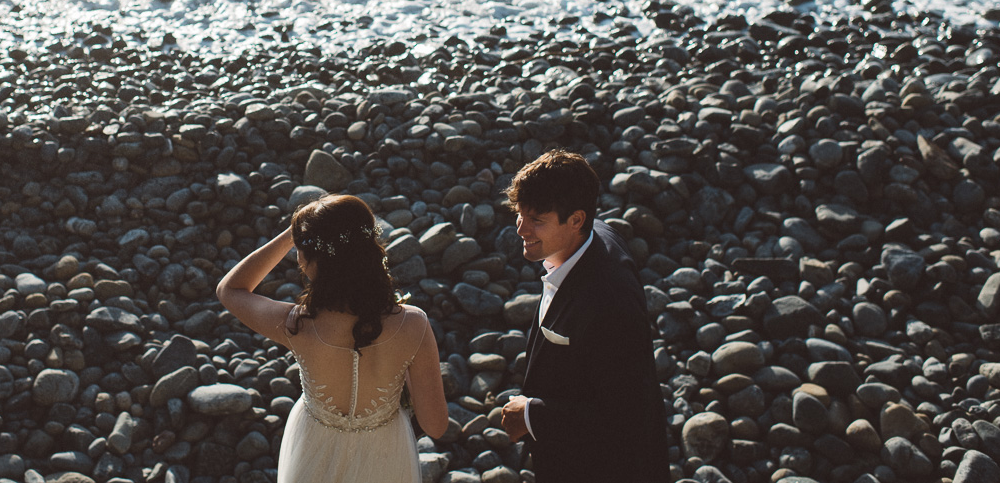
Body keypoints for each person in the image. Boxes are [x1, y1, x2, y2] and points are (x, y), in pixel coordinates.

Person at [217, 194, 449, 483]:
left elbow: (231, 289)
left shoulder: (298, 324)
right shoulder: (413, 324)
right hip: (386, 457)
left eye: (300, 250)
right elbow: (436, 426)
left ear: (314, 259)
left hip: (313, 451)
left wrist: (292, 233)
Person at [499, 149, 668, 483]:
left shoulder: (609, 303)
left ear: (576, 220)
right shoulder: (591, 237)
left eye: (537, 220)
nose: (521, 229)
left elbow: (628, 417)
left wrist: (532, 416)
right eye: (519, 214)